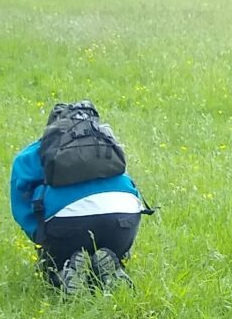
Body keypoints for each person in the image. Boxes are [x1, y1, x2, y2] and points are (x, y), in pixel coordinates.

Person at [8, 106, 146, 294]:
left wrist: (41, 238)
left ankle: (63, 272)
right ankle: (113, 262)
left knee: (50, 267)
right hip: (122, 220)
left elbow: (20, 203)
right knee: (113, 242)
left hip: (66, 225)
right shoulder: (105, 141)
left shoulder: (39, 149)